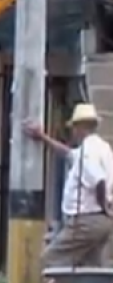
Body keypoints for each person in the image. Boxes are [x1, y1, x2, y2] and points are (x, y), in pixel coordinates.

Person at [25, 103, 113, 269]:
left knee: (50, 262)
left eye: (74, 127)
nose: (72, 131)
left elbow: (98, 180)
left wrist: (104, 208)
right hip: (100, 223)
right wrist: (43, 137)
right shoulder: (102, 148)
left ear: (80, 127)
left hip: (85, 220)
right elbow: (68, 154)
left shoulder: (88, 151)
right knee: (90, 270)